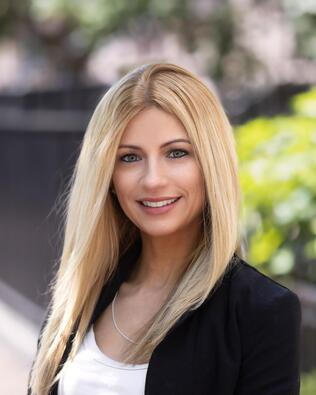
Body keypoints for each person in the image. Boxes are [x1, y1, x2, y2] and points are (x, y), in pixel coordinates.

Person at [27, 62, 301, 395]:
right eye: (129, 157)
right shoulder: (80, 296)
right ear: (108, 178)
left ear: (210, 165)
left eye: (177, 153)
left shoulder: (260, 311)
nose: (153, 179)